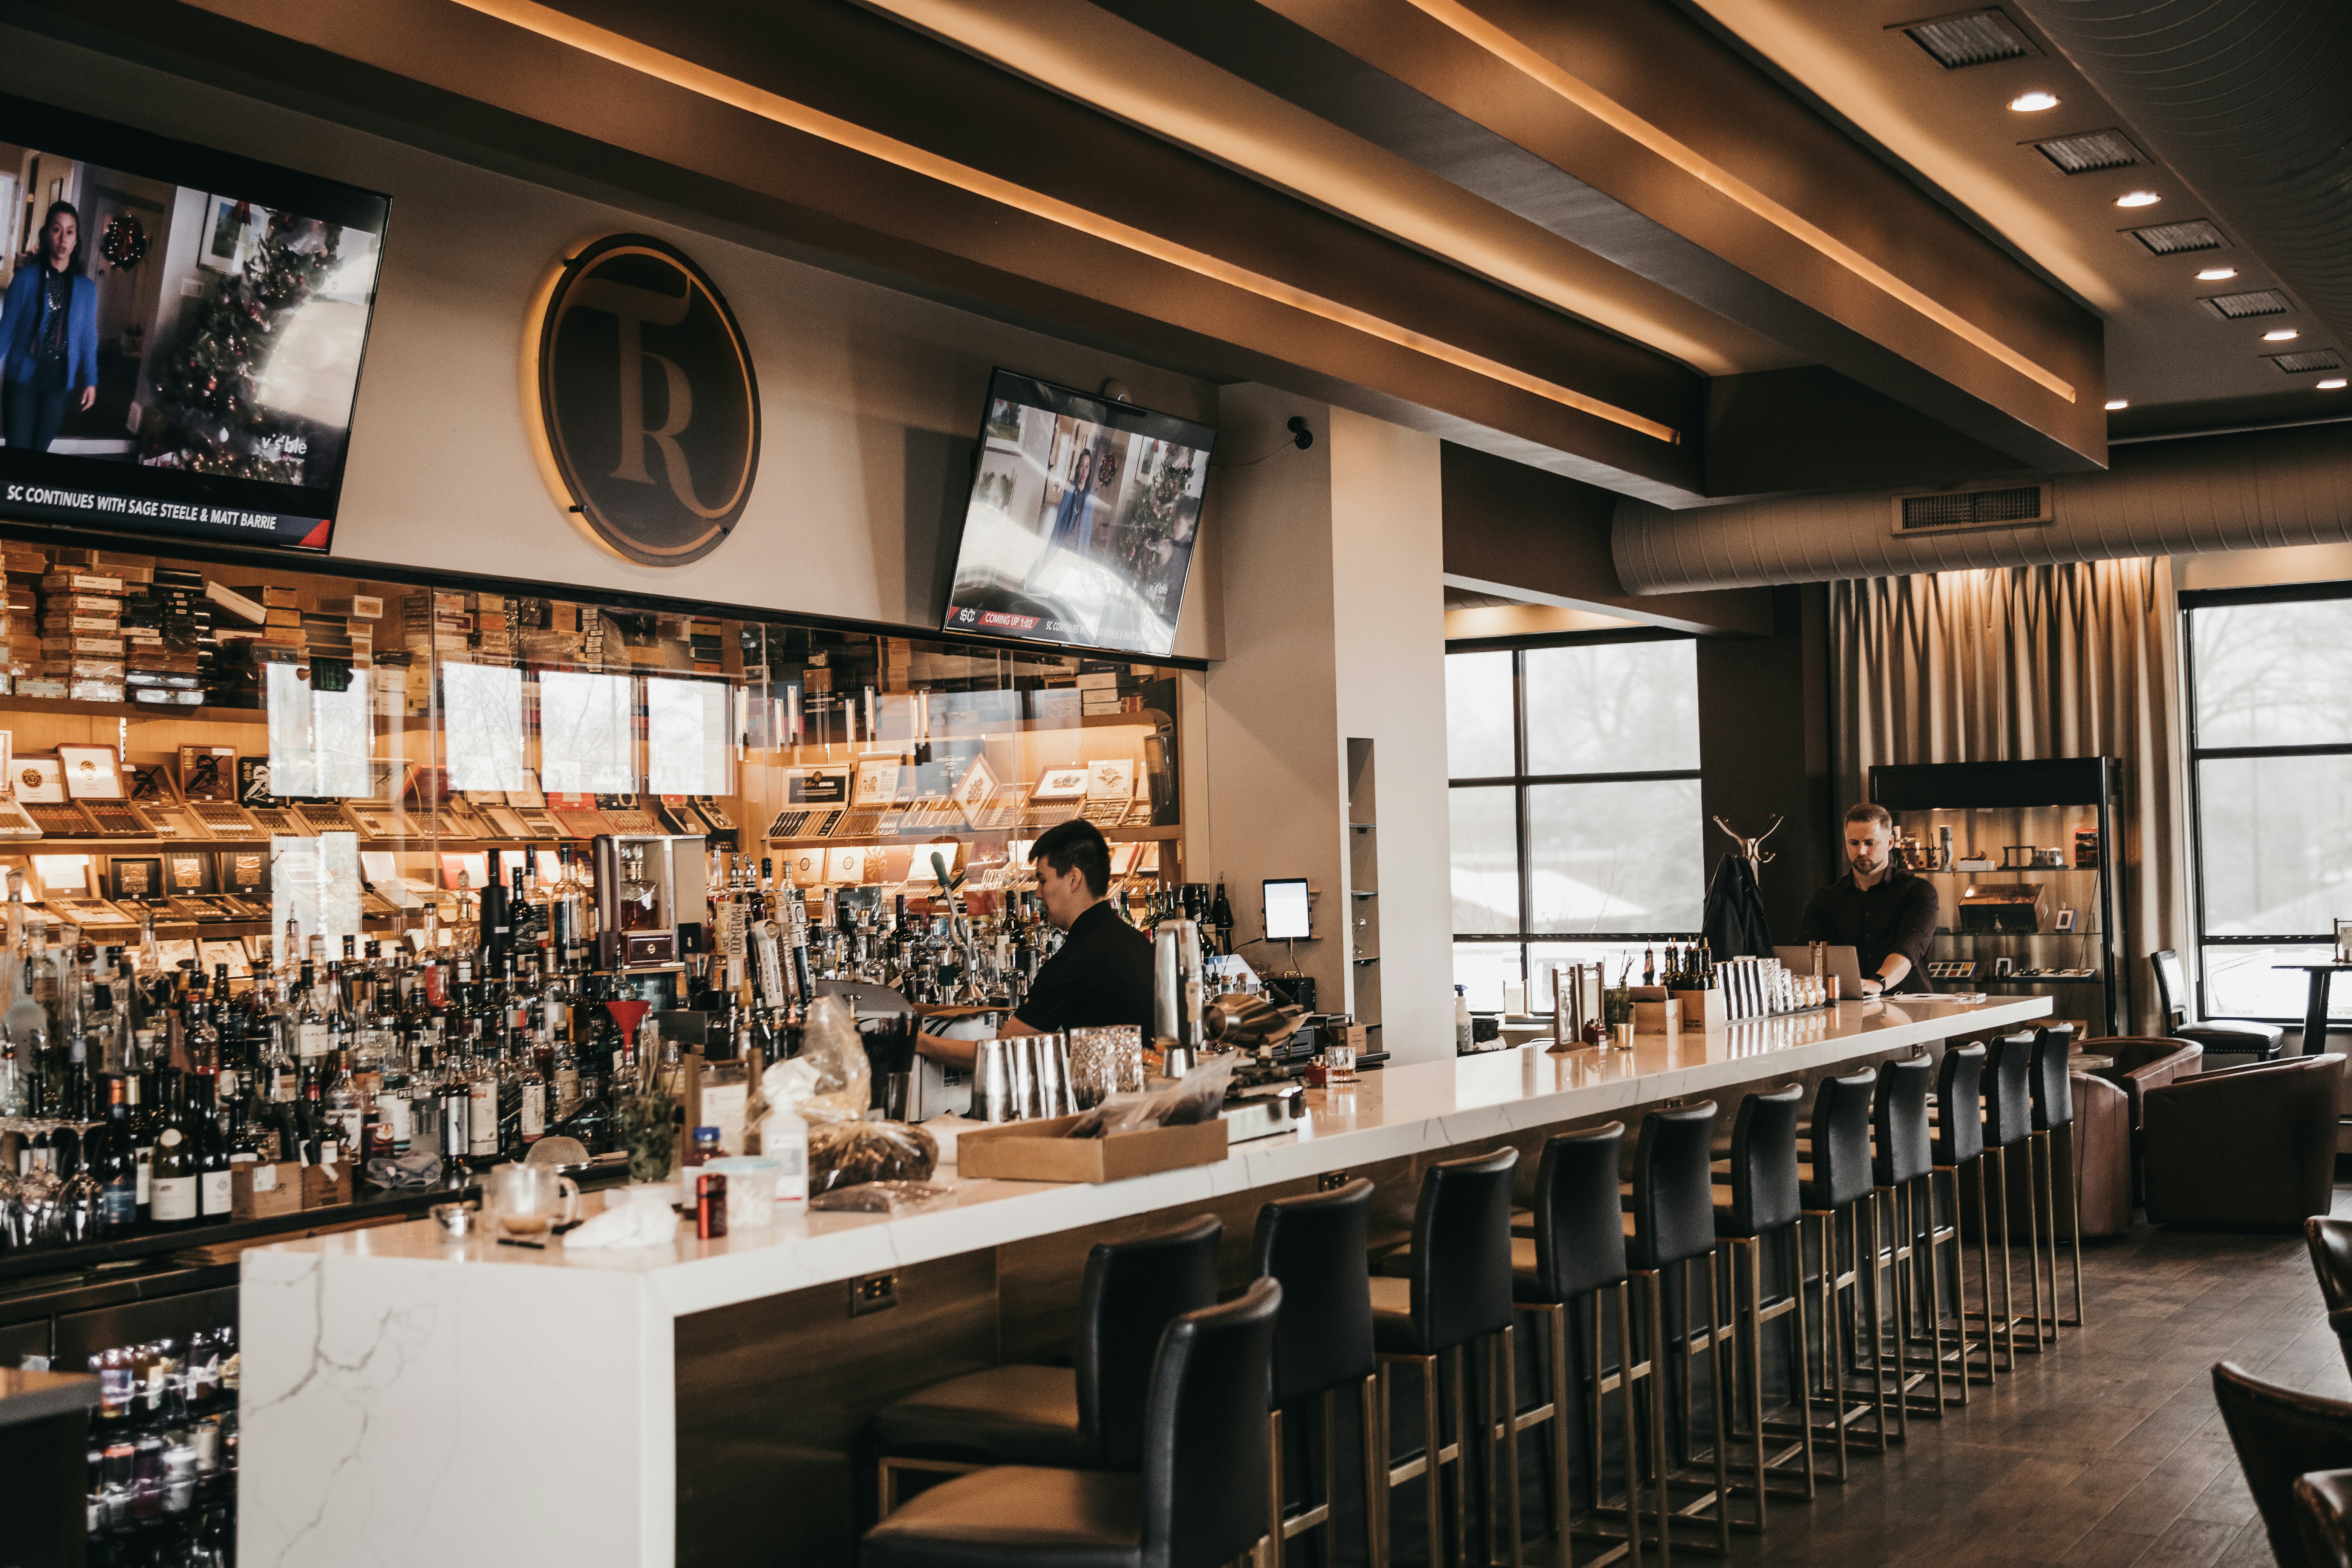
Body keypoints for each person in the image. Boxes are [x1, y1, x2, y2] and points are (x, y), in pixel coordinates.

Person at [916, 818, 1152, 1070]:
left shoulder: (1077, 958)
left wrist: (919, 1042)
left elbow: (1002, 1055)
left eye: (1042, 880)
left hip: (1110, 1104)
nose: (1038, 893)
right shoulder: (1135, 941)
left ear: (1074, 879)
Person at [1799, 802, 1940, 996]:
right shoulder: (1826, 899)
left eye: (1870, 843)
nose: (1861, 851)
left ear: (1890, 843)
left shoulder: (1918, 892)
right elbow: (1804, 954)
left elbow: (1910, 947)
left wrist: (1878, 983)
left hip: (1909, 1004)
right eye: (1854, 843)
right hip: (1849, 1005)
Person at [1, 202, 100, 453]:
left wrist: (91, 379)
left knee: (39, 451)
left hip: (59, 384)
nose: (63, 238)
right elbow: (6, 330)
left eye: (70, 231)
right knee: (18, 451)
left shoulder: (87, 289)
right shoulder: (25, 279)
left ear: (76, 239)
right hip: (22, 381)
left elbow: (89, 337)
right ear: (47, 235)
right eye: (57, 230)